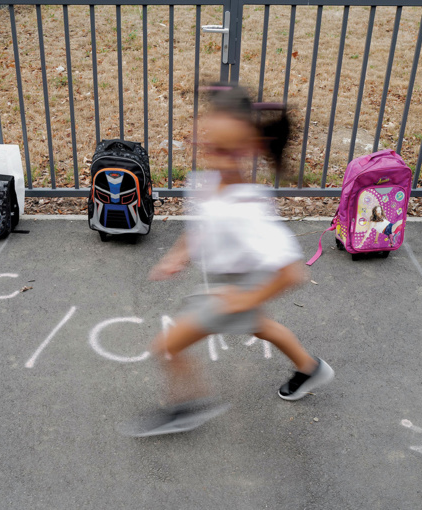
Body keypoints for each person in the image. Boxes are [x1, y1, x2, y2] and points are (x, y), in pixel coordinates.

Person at [119, 84, 334, 437]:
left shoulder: (246, 207)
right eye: (207, 144)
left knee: (165, 347)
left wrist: (244, 298)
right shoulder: (206, 183)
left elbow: (291, 273)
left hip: (235, 292)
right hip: (230, 284)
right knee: (260, 326)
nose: (211, 155)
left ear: (246, 150)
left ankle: (183, 408)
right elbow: (201, 227)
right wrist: (178, 255)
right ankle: (310, 369)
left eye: (223, 150)